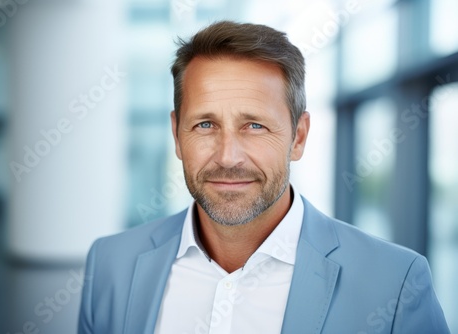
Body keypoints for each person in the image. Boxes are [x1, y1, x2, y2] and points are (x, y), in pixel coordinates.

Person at [78, 21, 449, 334]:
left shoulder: (395, 284)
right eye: (205, 124)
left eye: (254, 126)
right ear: (177, 135)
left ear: (298, 137)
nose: (228, 157)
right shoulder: (111, 264)